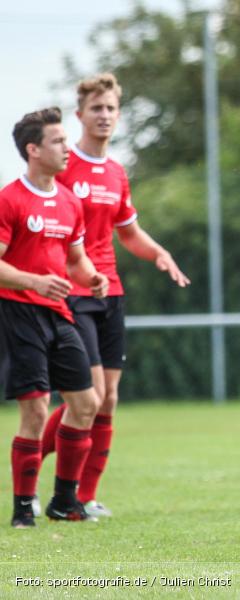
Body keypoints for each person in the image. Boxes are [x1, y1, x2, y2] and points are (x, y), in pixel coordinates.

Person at [39, 73, 190, 519]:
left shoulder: (116, 172)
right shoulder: (63, 168)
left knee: (107, 400)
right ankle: (33, 463)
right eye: (96, 109)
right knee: (87, 396)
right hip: (72, 293)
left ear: (118, 115)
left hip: (111, 292)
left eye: (111, 109)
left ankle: (85, 496)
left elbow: (129, 233)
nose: (104, 116)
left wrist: (158, 252)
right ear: (80, 114)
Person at [0, 107, 109, 527]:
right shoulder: (10, 200)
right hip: (19, 312)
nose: (67, 147)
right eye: (58, 141)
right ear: (33, 150)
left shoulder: (69, 202)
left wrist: (93, 278)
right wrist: (34, 280)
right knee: (36, 412)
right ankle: (22, 508)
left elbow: (76, 261)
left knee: (87, 403)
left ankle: (65, 502)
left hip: (59, 313)